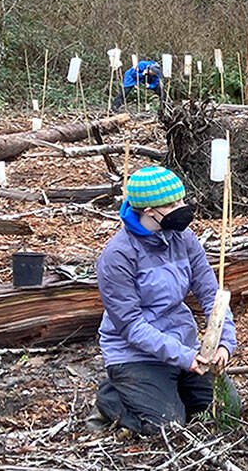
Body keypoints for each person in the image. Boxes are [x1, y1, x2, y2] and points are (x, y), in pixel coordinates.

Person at [90, 165, 236, 435]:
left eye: (181, 199)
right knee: (168, 427)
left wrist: (224, 343)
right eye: (172, 204)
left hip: (183, 346)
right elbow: (131, 326)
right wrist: (184, 356)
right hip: (135, 355)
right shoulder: (118, 255)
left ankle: (169, 390)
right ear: (149, 211)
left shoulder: (185, 238)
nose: (182, 207)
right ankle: (113, 396)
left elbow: (212, 294)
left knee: (226, 412)